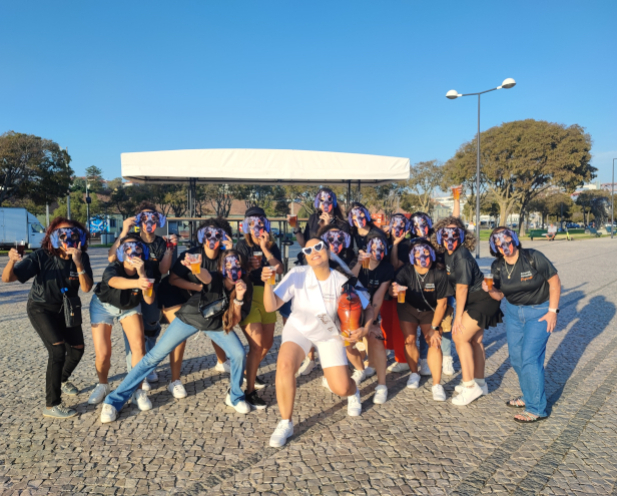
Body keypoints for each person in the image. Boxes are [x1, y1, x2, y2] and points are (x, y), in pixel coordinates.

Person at [100, 250, 253, 422]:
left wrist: (239, 298)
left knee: (239, 354)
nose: (233, 269)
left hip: (215, 325)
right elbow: (203, 276)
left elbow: (234, 321)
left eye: (237, 265)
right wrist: (195, 268)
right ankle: (113, 401)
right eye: (228, 264)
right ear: (222, 267)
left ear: (244, 268)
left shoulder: (246, 287)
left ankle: (235, 396)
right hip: (190, 318)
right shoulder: (215, 278)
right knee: (153, 358)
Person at [262, 238, 374, 448]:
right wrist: (268, 284)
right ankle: (286, 422)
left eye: (318, 247)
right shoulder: (297, 275)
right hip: (300, 328)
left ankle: (353, 391)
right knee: (284, 365)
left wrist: (365, 329)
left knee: (340, 388)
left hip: (329, 334)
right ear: (304, 255)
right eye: (308, 249)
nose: (313, 252)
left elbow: (368, 307)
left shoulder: (342, 279)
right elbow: (271, 306)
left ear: (328, 251)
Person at [2, 218, 93, 418]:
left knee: (78, 350)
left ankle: (61, 378)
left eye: (73, 234)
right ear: (52, 237)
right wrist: (11, 260)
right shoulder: (42, 256)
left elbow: (86, 288)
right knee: (58, 350)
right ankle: (52, 405)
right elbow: (7, 278)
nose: (68, 238)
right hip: (41, 307)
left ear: (79, 237)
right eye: (62, 234)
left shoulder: (81, 257)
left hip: (67, 308)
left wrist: (78, 263)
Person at [484, 227, 561, 422]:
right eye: (499, 243)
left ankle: (536, 408)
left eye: (507, 240)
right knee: (517, 358)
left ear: (515, 240)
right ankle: (528, 396)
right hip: (513, 314)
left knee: (529, 358)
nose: (505, 245)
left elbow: (554, 281)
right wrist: (489, 290)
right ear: (495, 247)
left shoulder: (533, 257)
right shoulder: (498, 266)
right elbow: (500, 295)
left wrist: (552, 311)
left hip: (539, 312)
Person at [157, 218, 234, 398]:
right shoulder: (191, 254)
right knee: (179, 334)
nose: (212, 238)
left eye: (218, 234)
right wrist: (200, 288)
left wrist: (231, 250)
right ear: (201, 236)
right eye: (208, 234)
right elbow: (172, 280)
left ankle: (222, 361)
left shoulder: (226, 256)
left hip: (202, 298)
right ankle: (174, 381)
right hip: (175, 294)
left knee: (217, 322)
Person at [432, 217, 502, 406]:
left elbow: (462, 289)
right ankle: (480, 382)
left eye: (455, 233)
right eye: (445, 233)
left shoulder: (461, 255)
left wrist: (457, 318)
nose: (450, 237)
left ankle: (470, 386)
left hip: (480, 300)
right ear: (439, 234)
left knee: (460, 337)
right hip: (474, 301)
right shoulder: (447, 252)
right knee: (475, 340)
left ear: (463, 236)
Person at [108, 202, 177, 389]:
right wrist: (123, 231)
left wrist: (170, 249)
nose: (148, 221)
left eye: (152, 218)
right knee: (133, 330)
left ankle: (148, 363)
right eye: (144, 217)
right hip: (130, 289)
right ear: (138, 220)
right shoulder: (131, 239)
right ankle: (137, 370)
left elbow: (163, 269)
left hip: (149, 288)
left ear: (158, 221)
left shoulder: (160, 242)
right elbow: (112, 257)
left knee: (152, 325)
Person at [87, 234, 155, 411]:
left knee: (139, 346)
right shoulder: (113, 267)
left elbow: (148, 300)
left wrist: (142, 275)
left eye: (137, 248)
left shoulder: (147, 269)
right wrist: (137, 282)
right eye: (127, 248)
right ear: (120, 252)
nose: (132, 251)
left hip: (130, 306)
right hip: (103, 306)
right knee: (103, 353)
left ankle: (137, 390)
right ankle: (102, 384)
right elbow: (113, 281)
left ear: (143, 251)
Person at [391, 240, 453, 401]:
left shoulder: (439, 273)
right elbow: (394, 290)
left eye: (426, 253)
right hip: (408, 309)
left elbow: (443, 303)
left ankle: (437, 384)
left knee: (433, 341)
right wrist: (394, 292)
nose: (422, 257)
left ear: (431, 255)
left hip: (430, 311)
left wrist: (433, 327)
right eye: (418, 253)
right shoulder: (406, 271)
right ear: (412, 256)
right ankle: (414, 373)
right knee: (409, 340)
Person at [235, 207, 284, 409]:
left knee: (267, 343)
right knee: (256, 346)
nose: (258, 227)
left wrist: (265, 249)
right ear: (247, 226)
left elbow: (280, 269)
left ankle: (249, 372)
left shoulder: (271, 245)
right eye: (253, 223)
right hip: (248, 295)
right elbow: (233, 272)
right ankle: (249, 390)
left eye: (261, 223)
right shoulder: (241, 245)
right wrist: (248, 267)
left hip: (267, 293)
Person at [351, 231, 394, 404]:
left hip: (370, 309)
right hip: (351, 308)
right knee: (345, 339)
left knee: (376, 336)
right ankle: (360, 368)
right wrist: (358, 264)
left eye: (381, 246)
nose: (377, 250)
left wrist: (371, 323)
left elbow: (378, 297)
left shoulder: (387, 268)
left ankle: (382, 385)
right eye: (373, 247)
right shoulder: (357, 262)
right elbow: (348, 282)